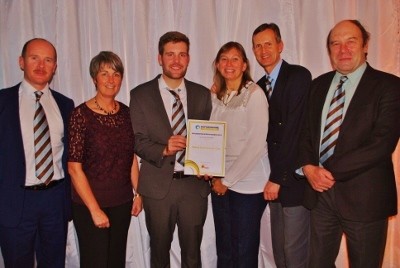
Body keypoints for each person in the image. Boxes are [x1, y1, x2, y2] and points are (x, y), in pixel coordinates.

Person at [297, 19, 400, 267]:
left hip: (365, 200)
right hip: (320, 199)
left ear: (365, 46)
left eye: (350, 42)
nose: (343, 50)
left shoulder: (390, 86)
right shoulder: (318, 85)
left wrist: (327, 172)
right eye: (336, 43)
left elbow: (381, 143)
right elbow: (305, 133)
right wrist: (309, 168)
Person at [129, 31, 212, 268]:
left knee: (193, 254)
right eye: (170, 54)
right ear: (159, 58)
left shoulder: (202, 94)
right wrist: (164, 149)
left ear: (189, 58)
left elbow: (210, 140)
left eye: (182, 54)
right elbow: (136, 140)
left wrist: (209, 166)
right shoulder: (140, 94)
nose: (176, 60)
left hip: (194, 187)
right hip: (157, 188)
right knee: (159, 253)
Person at [0, 38, 74, 267]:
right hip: (14, 202)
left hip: (54, 200)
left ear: (55, 67)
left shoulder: (65, 105)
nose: (41, 65)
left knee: (54, 263)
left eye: (48, 60)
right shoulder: (2, 101)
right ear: (21, 62)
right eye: (34, 58)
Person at [68, 51, 142, 268]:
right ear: (94, 78)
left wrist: (139, 193)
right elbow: (74, 168)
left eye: (116, 74)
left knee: (116, 262)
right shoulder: (80, 115)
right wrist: (94, 209)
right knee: (95, 263)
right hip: (90, 205)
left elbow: (131, 157)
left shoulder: (127, 113)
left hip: (122, 202)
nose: (111, 80)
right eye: (104, 74)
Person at [252, 23, 312, 268]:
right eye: (258, 46)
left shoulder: (298, 76)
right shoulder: (256, 86)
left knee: (295, 252)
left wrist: (277, 177)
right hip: (272, 180)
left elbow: (293, 131)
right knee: (279, 250)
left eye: (268, 43)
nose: (263, 50)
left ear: (280, 45)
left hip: (293, 180)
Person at [210, 41, 269, 268]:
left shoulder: (254, 95)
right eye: (224, 59)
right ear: (217, 64)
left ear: (244, 65)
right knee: (224, 248)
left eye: (235, 59)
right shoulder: (216, 96)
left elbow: (255, 144)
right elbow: (212, 138)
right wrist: (207, 170)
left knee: (243, 251)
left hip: (247, 185)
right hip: (220, 183)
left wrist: (227, 180)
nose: (229, 64)